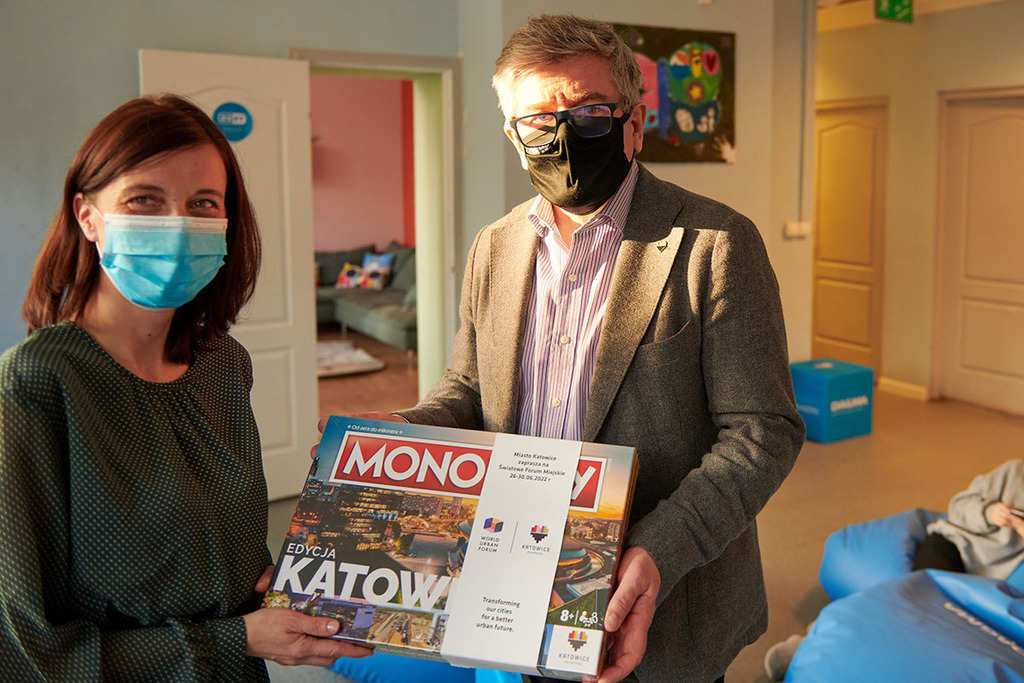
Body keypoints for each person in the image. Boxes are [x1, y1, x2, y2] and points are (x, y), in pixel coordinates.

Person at [344, 14, 804, 683]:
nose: (563, 136)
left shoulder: (716, 244)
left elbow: (763, 430)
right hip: (511, 574)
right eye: (539, 120)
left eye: (589, 112)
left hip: (662, 604)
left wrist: (661, 547)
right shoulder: (493, 248)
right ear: (514, 137)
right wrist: (405, 431)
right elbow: (467, 390)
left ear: (634, 123)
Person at [0, 94, 371, 680]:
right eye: (144, 200)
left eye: (202, 203)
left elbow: (222, 552)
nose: (177, 225)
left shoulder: (224, 365)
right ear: (87, 215)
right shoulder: (36, 384)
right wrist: (234, 638)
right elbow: (28, 651)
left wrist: (285, 580)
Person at [763, 458, 1024, 680]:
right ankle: (812, 639)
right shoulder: (1013, 473)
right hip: (954, 545)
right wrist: (989, 513)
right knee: (907, 601)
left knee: (942, 632)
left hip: (986, 580)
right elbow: (959, 505)